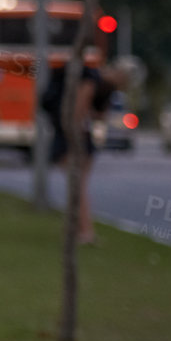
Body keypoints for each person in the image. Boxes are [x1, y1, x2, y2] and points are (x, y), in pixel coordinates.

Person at [41, 59, 123, 245]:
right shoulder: (90, 81)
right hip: (75, 138)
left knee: (77, 186)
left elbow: (95, 114)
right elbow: (79, 110)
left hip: (73, 137)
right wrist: (74, 137)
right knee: (78, 186)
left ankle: (77, 229)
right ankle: (84, 231)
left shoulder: (101, 86)